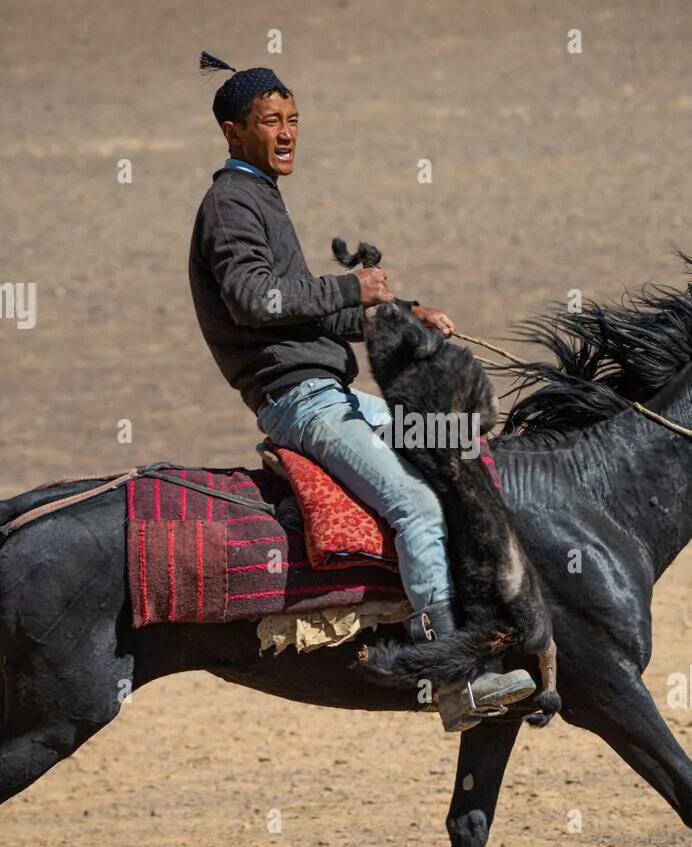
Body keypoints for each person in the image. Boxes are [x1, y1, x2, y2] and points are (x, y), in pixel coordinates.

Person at [187, 52, 535, 731]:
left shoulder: (260, 197)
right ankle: (453, 680)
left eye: (293, 119)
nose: (287, 133)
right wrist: (353, 288)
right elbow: (256, 299)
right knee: (416, 507)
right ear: (233, 132)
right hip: (302, 402)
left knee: (456, 446)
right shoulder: (230, 204)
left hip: (331, 394)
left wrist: (400, 313)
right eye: (270, 121)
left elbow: (303, 311)